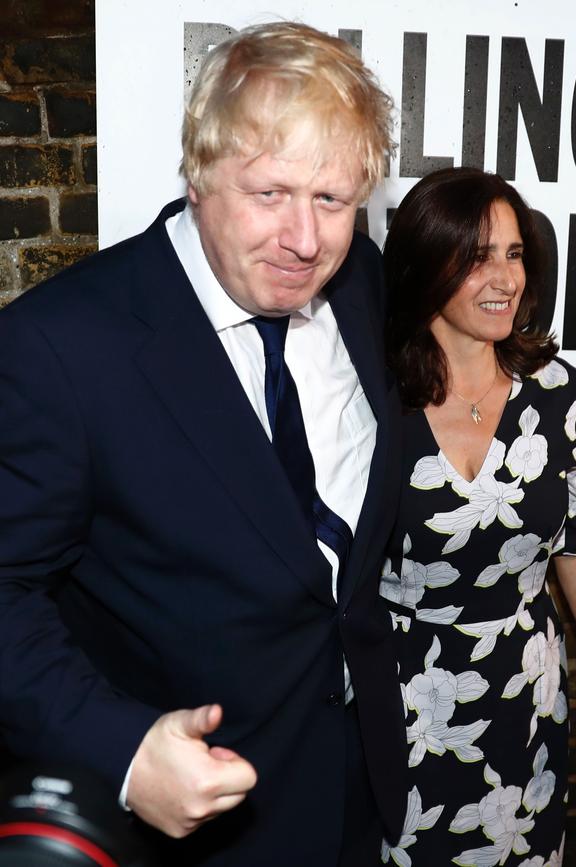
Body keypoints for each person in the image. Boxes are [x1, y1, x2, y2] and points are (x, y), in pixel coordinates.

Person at [0, 22, 407, 867]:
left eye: (333, 200)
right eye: (270, 194)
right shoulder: (61, 347)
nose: (305, 239)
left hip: (355, 796)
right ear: (198, 171)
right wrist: (123, 749)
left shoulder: (361, 284)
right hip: (185, 833)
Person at [380, 167, 576, 866]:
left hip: (524, 699)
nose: (505, 278)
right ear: (426, 264)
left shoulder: (557, 392)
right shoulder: (371, 396)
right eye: (476, 257)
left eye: (514, 253)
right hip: (397, 702)